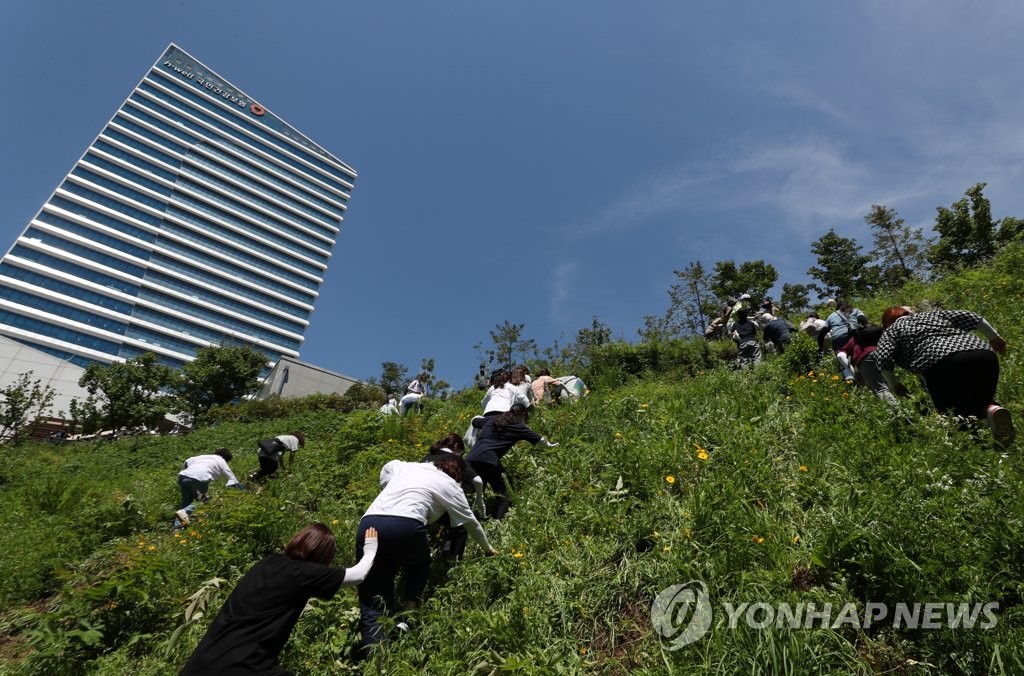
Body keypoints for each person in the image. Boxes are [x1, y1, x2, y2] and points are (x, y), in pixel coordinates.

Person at [180, 524, 379, 675]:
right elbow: (358, 575)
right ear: (322, 554)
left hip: (200, 662)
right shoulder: (305, 573)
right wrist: (371, 548)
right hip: (242, 665)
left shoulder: (266, 563)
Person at [356, 455, 496, 656]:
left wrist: (388, 487)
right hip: (407, 524)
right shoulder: (450, 484)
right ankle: (407, 616)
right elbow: (471, 523)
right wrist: (488, 549)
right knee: (420, 565)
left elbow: (389, 466)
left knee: (371, 594)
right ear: (457, 473)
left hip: (369, 523)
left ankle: (374, 658)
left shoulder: (407, 467)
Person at [875, 306, 1015, 445]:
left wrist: (894, 384)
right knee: (981, 397)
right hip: (984, 353)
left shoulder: (892, 331)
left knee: (950, 410)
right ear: (907, 312)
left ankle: (970, 447)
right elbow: (972, 317)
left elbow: (882, 357)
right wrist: (994, 337)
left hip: (941, 362)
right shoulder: (933, 315)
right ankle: (993, 410)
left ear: (887, 324)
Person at [466, 404, 558, 519]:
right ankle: (499, 523)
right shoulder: (517, 426)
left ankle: (470, 524)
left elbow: (475, 421)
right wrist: (552, 446)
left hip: (470, 459)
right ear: (523, 414)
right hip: (488, 460)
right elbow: (540, 440)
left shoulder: (493, 419)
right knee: (507, 493)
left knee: (474, 495)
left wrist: (476, 419)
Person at [421, 434, 485, 559]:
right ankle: (455, 560)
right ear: (456, 447)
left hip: (421, 501)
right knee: (460, 526)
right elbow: (478, 480)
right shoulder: (454, 459)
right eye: (461, 451)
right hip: (441, 500)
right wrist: (479, 499)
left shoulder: (426, 458)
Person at [836, 318, 896, 405]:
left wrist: (853, 372)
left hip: (866, 359)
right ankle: (904, 404)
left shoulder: (853, 340)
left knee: (880, 389)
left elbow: (840, 355)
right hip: (882, 354)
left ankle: (901, 414)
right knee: (890, 383)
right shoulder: (871, 334)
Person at [175, 448, 241, 527]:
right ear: (226, 459)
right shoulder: (221, 460)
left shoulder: (204, 456)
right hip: (199, 478)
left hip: (183, 476)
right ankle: (185, 514)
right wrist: (242, 491)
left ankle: (178, 527)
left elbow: (187, 461)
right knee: (203, 502)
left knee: (186, 502)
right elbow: (232, 479)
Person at [824, 301, 865, 381]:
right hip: (854, 335)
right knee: (859, 355)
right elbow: (862, 319)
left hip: (837, 338)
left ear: (837, 308)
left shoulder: (831, 316)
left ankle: (851, 378)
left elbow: (824, 331)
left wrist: (820, 345)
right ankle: (863, 372)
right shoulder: (855, 310)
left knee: (843, 359)